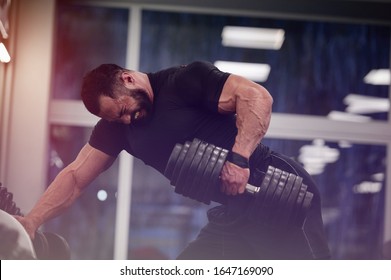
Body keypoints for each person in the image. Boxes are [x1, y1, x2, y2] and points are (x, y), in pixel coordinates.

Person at [15, 61, 330, 259]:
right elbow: (74, 177)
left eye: (123, 111)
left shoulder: (183, 82)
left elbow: (256, 97)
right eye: (117, 119)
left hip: (279, 191)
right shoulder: (119, 129)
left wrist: (239, 159)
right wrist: (31, 221)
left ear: (127, 79)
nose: (126, 120)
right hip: (236, 211)